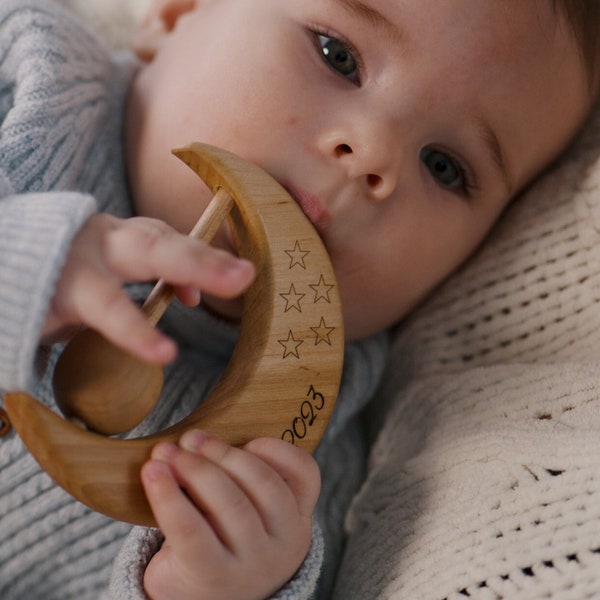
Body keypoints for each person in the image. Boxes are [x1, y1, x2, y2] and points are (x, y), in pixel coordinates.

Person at [0, 0, 597, 598]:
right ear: (176, 12)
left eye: (443, 167)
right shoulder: (27, 79)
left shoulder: (299, 459)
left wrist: (194, 585)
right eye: (338, 56)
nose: (371, 153)